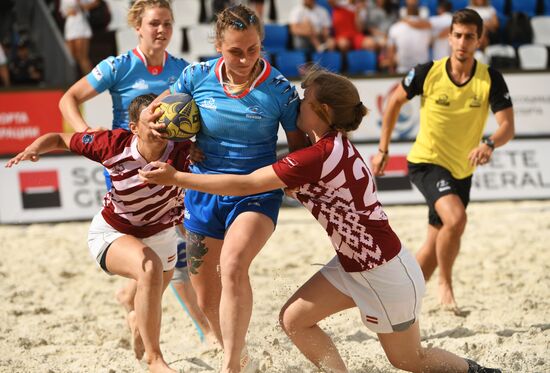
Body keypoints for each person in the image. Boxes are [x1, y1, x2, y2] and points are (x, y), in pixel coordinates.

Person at [138, 68, 503, 373]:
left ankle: (480, 371)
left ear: (322, 109)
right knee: (294, 320)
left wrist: (176, 178)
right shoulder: (328, 148)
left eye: (305, 96)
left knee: (409, 359)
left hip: (382, 271)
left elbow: (247, 184)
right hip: (353, 263)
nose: (298, 99)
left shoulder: (318, 155)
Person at [139, 4, 309, 372]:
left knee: (233, 266)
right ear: (218, 45)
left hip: (255, 192)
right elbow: (153, 116)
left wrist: (296, 184)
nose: (246, 58)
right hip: (202, 191)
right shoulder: (195, 76)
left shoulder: (279, 89)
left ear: (261, 43)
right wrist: (177, 143)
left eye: (253, 49)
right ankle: (239, 350)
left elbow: (298, 147)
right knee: (205, 297)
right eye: (235, 50)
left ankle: (232, 366)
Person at [58, 0, 214, 349]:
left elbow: (199, 116)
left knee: (164, 252)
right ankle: (208, 331)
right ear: (137, 27)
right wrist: (86, 132)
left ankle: (131, 299)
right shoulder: (119, 65)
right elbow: (68, 98)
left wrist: (196, 144)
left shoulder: (183, 70)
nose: (161, 30)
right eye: (154, 23)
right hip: (128, 171)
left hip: (171, 168)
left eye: (168, 24)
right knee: (173, 251)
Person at [6, 94, 189, 373]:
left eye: (162, 120)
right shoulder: (112, 144)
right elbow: (58, 138)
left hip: (161, 232)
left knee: (149, 298)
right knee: (149, 268)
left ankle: (133, 316)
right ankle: (155, 361)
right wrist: (34, 148)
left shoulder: (185, 149)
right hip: (113, 231)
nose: (158, 127)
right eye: (150, 121)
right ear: (134, 127)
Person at [371, 8, 514, 312]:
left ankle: (400, 300)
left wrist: (489, 143)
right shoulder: (427, 72)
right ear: (449, 38)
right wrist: (383, 149)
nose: (463, 42)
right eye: (458, 36)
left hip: (463, 169)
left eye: (470, 37)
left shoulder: (491, 79)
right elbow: (394, 102)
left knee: (437, 243)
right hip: (426, 162)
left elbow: (507, 127)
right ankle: (445, 285)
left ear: (480, 40)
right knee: (456, 219)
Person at [386, 0, 432, 73]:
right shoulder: (427, 28)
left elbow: (390, 52)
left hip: (402, 71)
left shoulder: (395, 28)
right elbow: (431, 42)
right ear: (418, 13)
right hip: (423, 71)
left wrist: (391, 69)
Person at [60, 0, 95, 75]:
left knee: (82, 56)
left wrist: (81, 5)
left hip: (81, 26)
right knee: (71, 56)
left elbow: (95, 3)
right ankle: (76, 79)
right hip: (70, 26)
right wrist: (68, 12)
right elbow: (63, 11)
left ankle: (92, 81)